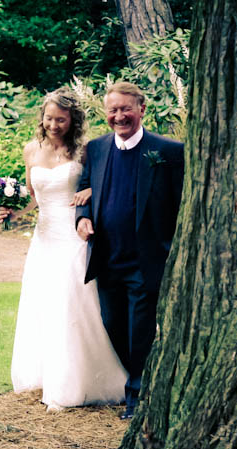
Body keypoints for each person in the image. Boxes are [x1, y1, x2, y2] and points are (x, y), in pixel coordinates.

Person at [0, 88, 128, 412]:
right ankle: (50, 376)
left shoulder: (85, 151)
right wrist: (14, 212)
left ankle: (79, 382)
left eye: (61, 119)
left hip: (73, 235)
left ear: (72, 119)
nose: (54, 124)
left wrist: (87, 191)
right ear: (41, 118)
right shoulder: (31, 150)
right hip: (43, 239)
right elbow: (33, 197)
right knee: (43, 304)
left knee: (69, 302)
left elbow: (104, 184)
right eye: (49, 118)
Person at [74, 82, 184, 419]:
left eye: (126, 109)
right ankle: (140, 381)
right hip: (107, 259)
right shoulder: (96, 148)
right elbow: (83, 190)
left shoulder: (168, 151)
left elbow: (182, 206)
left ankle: (137, 399)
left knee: (141, 333)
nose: (119, 116)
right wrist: (81, 220)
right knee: (114, 326)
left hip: (145, 262)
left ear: (142, 109)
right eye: (113, 110)